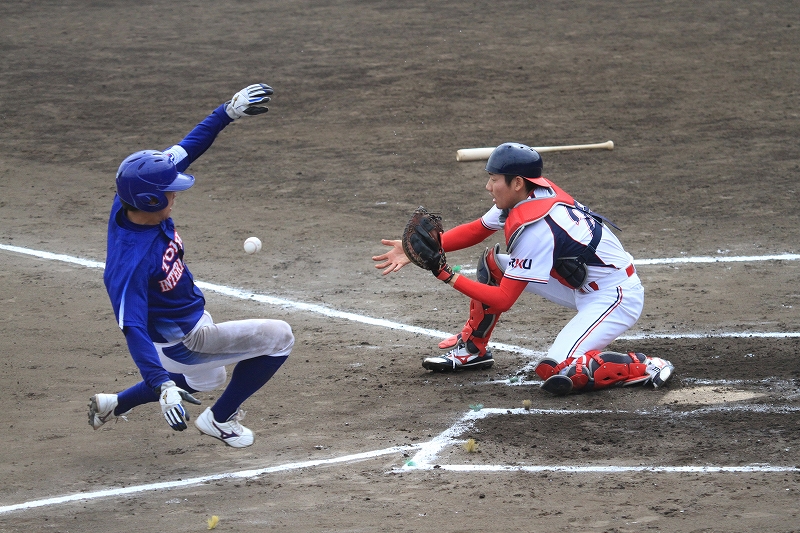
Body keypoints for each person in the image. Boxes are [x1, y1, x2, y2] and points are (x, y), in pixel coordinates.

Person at [373, 142, 674, 395]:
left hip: (615, 296)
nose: (487, 186)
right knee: (494, 264)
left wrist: (445, 274)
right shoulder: (528, 194)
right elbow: (478, 229)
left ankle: (646, 366)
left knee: (554, 370)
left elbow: (504, 299)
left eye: (494, 179)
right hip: (580, 285)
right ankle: (472, 350)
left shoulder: (535, 230)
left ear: (516, 182)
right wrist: (422, 250)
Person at [88, 84, 294, 447]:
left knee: (205, 381)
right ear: (150, 199)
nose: (176, 193)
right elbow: (132, 326)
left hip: (186, 321)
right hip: (184, 340)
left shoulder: (133, 197)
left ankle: (115, 404)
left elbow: (186, 148)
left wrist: (226, 113)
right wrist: (159, 381)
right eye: (171, 191)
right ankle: (220, 419)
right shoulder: (132, 261)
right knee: (279, 338)